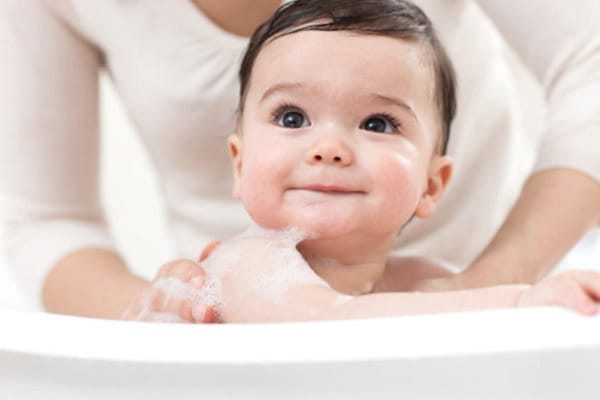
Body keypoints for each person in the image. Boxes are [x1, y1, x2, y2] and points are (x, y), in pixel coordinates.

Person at [0, 0, 599, 321]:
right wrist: (514, 302)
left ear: (432, 184)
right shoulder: (249, 268)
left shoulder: (423, 276)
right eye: (291, 119)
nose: (329, 147)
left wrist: (505, 282)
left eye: (377, 123)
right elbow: (337, 326)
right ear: (237, 164)